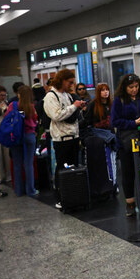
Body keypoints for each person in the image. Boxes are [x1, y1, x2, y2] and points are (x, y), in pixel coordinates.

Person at [111, 74, 140, 217]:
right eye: (131, 87)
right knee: (129, 172)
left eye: (136, 86)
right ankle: (130, 204)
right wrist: (133, 123)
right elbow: (115, 121)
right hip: (127, 142)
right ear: (124, 88)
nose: (134, 90)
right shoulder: (119, 101)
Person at [43, 69, 85, 209]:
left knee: (73, 167)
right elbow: (57, 115)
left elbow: (70, 114)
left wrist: (78, 107)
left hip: (74, 136)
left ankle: (73, 194)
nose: (72, 85)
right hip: (61, 139)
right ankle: (60, 197)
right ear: (62, 80)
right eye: (70, 82)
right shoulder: (51, 96)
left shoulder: (67, 95)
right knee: (62, 168)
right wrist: (74, 107)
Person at [7, 85, 39, 197]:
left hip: (16, 136)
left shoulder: (12, 105)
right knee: (29, 164)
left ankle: (19, 191)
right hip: (29, 136)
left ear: (19, 94)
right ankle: (31, 190)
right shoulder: (31, 107)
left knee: (17, 164)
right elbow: (35, 121)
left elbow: (7, 118)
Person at [0, 85, 11, 185]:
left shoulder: (6, 103)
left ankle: (8, 175)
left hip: (6, 132)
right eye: (1, 95)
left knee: (7, 155)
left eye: (4, 95)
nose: (3, 97)